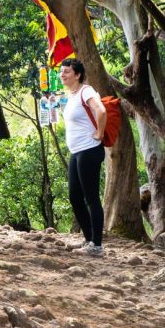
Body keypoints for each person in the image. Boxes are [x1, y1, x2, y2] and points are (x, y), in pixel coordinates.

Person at [58, 57, 107, 257]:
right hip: (76, 152)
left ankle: (96, 245)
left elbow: (101, 110)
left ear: (77, 74)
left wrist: (100, 133)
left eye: (67, 71)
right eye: (61, 71)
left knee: (91, 198)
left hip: (89, 150)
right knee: (74, 197)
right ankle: (88, 239)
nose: (63, 74)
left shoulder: (86, 91)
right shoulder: (71, 95)